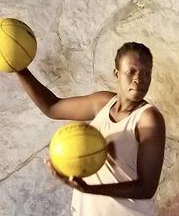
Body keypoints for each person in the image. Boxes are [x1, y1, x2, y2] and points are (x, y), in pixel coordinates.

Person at [15, 42, 166, 216]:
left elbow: (146, 188)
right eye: (131, 71)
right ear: (116, 73)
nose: (139, 79)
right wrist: (18, 67)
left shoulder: (148, 119)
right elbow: (52, 107)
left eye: (146, 73)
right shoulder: (102, 103)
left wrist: (89, 189)